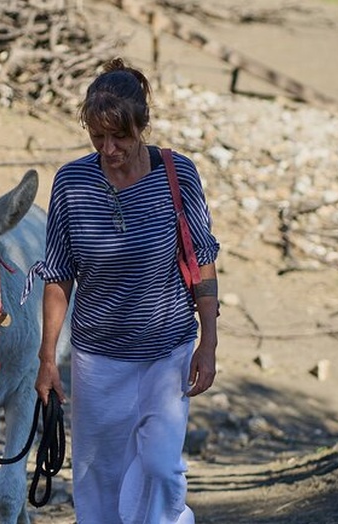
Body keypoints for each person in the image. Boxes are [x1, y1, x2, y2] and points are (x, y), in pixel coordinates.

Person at [32, 58, 220, 523]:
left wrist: (209, 342)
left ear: (143, 127)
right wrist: (47, 359)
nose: (109, 148)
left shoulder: (179, 175)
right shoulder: (72, 182)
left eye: (121, 136)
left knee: (161, 469)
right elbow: (58, 274)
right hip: (99, 361)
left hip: (167, 352)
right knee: (99, 483)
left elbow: (202, 260)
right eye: (98, 137)